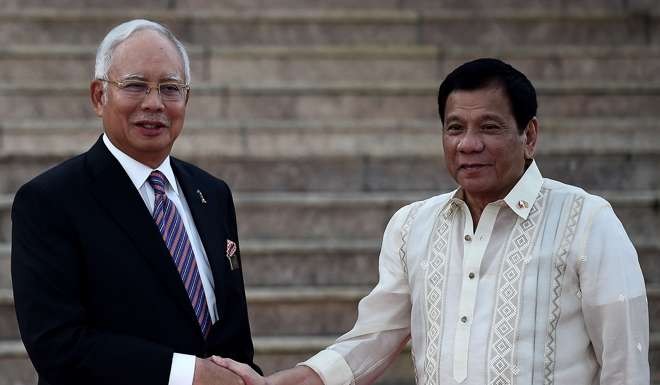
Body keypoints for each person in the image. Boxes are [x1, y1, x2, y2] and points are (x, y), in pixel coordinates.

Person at [212, 58, 650, 384]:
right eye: (455, 127)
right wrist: (284, 382)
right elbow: (374, 338)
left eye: (490, 127)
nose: (469, 144)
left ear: (529, 135)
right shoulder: (412, 226)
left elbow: (625, 365)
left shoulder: (587, 221)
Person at [11, 19, 258, 385]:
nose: (154, 103)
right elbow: (57, 346)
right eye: (136, 86)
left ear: (186, 99)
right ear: (99, 96)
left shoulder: (213, 194)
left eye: (170, 88)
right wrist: (189, 374)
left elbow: (233, 336)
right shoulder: (50, 201)